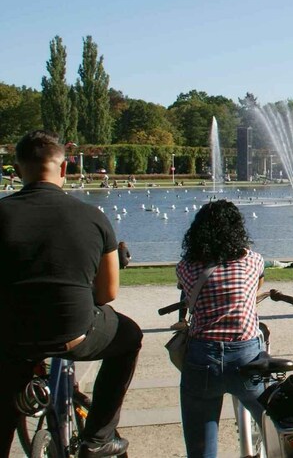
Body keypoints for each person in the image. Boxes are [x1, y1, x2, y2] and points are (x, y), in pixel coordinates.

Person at [0, 130, 142, 458]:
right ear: (63, 169)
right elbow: (107, 293)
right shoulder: (93, 217)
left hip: (10, 338)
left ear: (19, 171)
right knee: (129, 336)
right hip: (72, 334)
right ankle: (98, 437)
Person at [176, 200, 266, 457]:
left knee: (201, 446)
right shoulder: (252, 261)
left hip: (202, 358)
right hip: (245, 356)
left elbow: (186, 291)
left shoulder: (186, 268)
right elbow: (257, 286)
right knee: (272, 419)